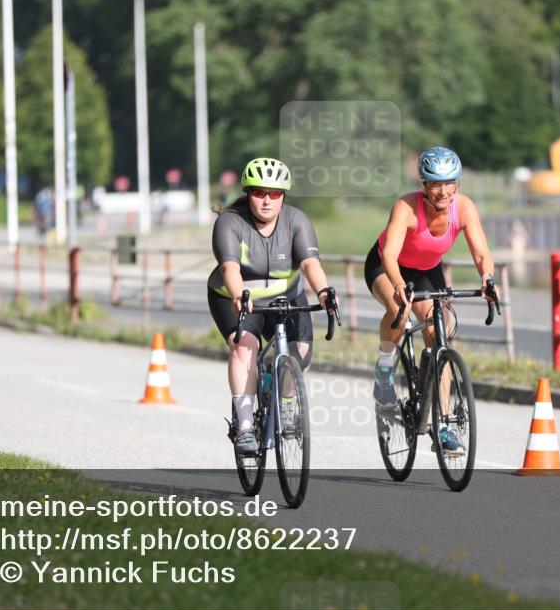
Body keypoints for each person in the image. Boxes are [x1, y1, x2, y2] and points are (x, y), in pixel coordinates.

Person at [364, 146, 494, 449]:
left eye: (450, 183)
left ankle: (444, 422)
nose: (443, 191)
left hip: (426, 269)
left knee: (441, 335)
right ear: (424, 184)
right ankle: (385, 369)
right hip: (387, 265)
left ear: (458, 183)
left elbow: (481, 253)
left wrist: (487, 278)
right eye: (436, 183)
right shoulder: (406, 207)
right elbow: (391, 256)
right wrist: (399, 285)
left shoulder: (463, 208)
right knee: (399, 308)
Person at [207, 157, 338, 455]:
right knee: (244, 347)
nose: (267, 201)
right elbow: (229, 268)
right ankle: (244, 427)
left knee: (298, 353)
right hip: (236, 298)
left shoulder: (296, 221)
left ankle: (287, 403)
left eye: (275, 194)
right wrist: (239, 294)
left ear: (283, 197)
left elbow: (309, 263)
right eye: (259, 193)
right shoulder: (230, 222)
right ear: (248, 193)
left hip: (285, 298)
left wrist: (323, 293)